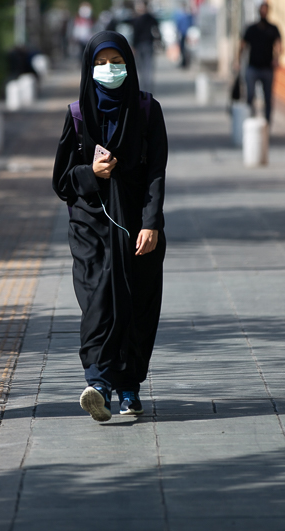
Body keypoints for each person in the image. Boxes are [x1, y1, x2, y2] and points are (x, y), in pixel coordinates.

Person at [52, 30, 168, 422]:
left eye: (116, 62)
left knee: (137, 306)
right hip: (89, 227)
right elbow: (62, 181)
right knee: (98, 302)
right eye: (100, 64)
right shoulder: (77, 114)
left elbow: (156, 173)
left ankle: (130, 388)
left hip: (137, 226)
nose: (109, 70)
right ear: (88, 68)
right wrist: (92, 173)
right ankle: (98, 382)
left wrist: (151, 224)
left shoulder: (148, 111)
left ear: (129, 65)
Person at [236, 2, 281, 123]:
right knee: (250, 96)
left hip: (267, 68)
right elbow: (242, 45)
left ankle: (267, 123)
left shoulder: (273, 28)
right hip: (253, 67)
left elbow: (278, 44)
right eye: (262, 10)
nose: (264, 12)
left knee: (268, 97)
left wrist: (277, 59)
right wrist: (238, 61)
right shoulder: (252, 28)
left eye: (266, 10)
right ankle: (250, 120)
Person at [131, 0, 161, 90]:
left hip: (141, 45)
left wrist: (133, 46)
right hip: (147, 44)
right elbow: (157, 31)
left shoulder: (137, 19)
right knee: (147, 66)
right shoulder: (151, 18)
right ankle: (147, 87)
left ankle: (144, 87)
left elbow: (135, 34)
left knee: (143, 67)